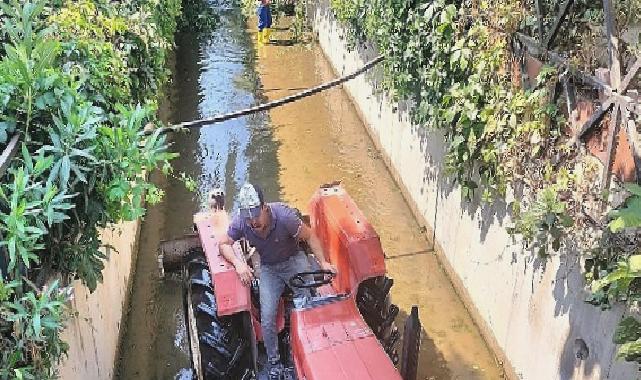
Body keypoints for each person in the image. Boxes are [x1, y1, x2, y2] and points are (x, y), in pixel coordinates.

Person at [218, 183, 335, 379]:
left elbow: (310, 236)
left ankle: (307, 346)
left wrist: (323, 262)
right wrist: (239, 264)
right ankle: (274, 362)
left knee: (305, 302)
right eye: (248, 218)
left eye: (256, 216)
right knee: (268, 315)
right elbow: (223, 243)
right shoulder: (242, 222)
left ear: (264, 208)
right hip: (269, 268)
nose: (252, 222)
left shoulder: (285, 218)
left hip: (292, 260)